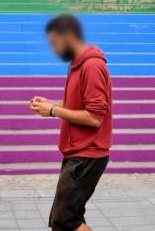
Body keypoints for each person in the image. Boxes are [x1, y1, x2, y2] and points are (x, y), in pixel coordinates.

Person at [30, 14, 112, 231]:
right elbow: (78, 106)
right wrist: (51, 105)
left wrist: (54, 110)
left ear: (68, 36)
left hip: (87, 154)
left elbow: (95, 117)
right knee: (65, 219)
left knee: (65, 220)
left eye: (54, 42)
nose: (54, 49)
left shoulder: (92, 66)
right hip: (78, 153)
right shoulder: (78, 64)